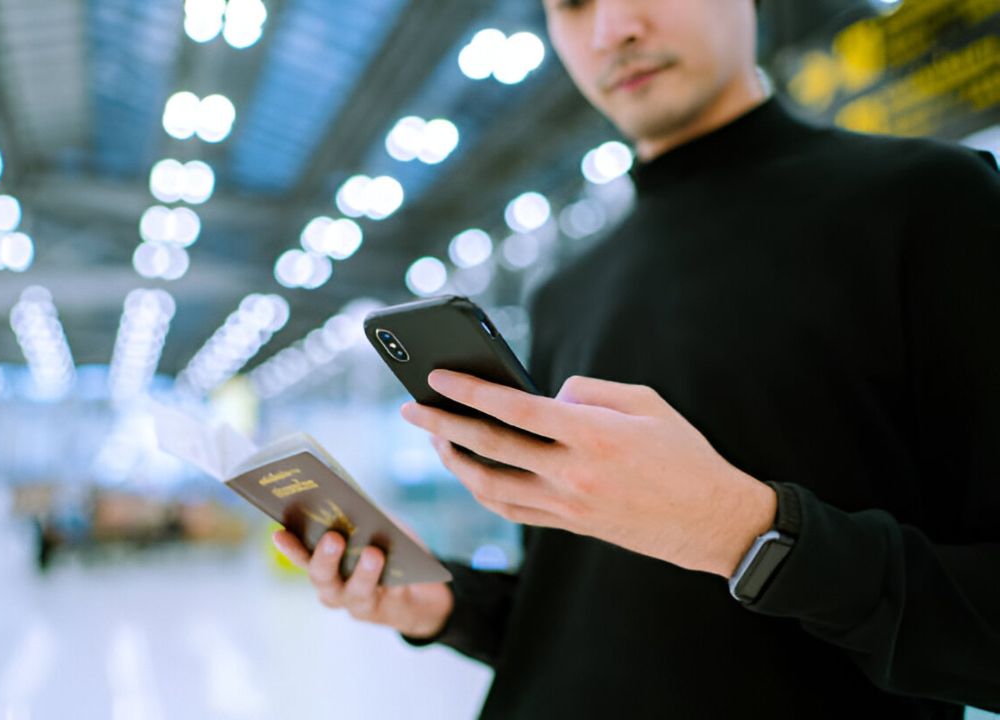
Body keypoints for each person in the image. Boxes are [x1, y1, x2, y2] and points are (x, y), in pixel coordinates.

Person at [272, 0, 1000, 716]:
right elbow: (588, 607)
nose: (612, 28)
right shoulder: (568, 289)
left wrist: (745, 531)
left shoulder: (931, 207)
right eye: (571, 5)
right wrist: (446, 606)